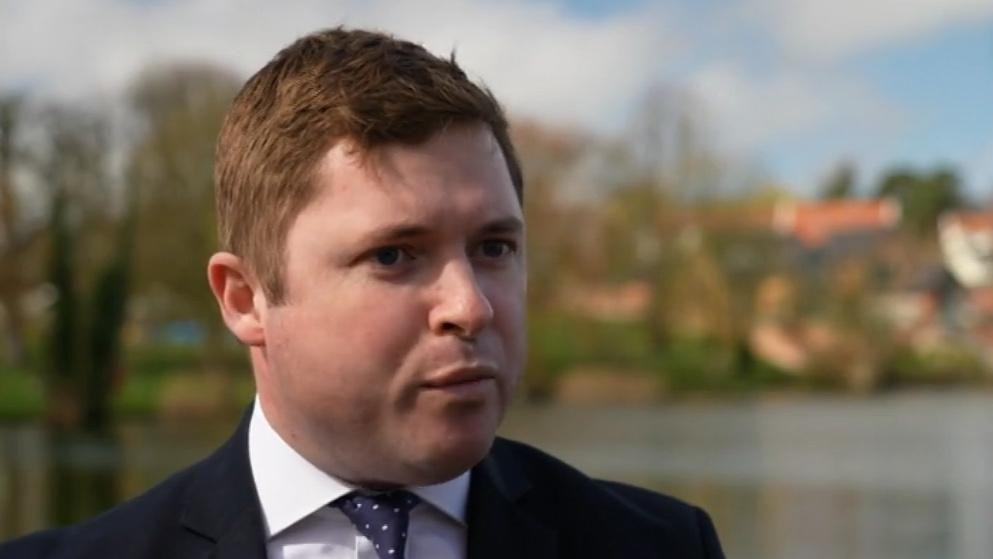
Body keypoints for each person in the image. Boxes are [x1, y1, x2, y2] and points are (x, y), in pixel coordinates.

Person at [0, 27, 725, 558]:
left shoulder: (657, 545)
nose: (469, 306)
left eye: (493, 247)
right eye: (393, 255)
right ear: (245, 299)